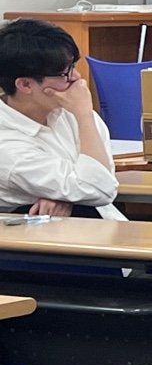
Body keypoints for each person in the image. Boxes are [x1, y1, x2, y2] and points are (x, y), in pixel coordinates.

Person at [0, 18, 122, 220]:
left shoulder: (66, 109)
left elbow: (105, 179)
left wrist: (68, 196)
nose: (76, 78)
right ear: (25, 85)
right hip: (59, 236)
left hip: (106, 224)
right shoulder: (7, 146)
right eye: (64, 73)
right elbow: (101, 188)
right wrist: (84, 116)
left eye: (72, 67)